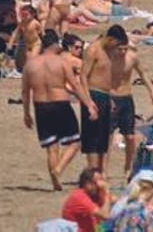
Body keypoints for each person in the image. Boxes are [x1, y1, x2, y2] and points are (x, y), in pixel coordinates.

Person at [22, 30, 97, 190]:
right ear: (55, 44)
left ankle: (55, 181)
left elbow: (25, 92)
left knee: (52, 147)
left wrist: (26, 113)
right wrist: (89, 104)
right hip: (60, 104)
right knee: (75, 142)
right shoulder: (61, 62)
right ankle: (59, 169)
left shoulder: (30, 65)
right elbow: (76, 86)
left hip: (41, 106)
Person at [107, 31, 153, 178]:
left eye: (125, 48)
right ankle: (105, 169)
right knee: (108, 137)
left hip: (127, 99)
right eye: (120, 48)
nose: (123, 52)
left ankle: (128, 167)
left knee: (130, 137)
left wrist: (151, 91)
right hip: (112, 98)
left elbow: (143, 73)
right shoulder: (108, 59)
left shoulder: (132, 57)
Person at [81, 25, 130, 172]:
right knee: (92, 139)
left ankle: (101, 172)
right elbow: (83, 76)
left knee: (103, 139)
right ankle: (93, 172)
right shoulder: (93, 50)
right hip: (93, 94)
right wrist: (88, 102)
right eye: (116, 44)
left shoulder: (109, 51)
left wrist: (110, 98)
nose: (117, 48)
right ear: (111, 39)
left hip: (105, 96)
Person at [61, 168, 112, 232]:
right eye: (97, 183)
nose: (100, 186)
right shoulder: (79, 196)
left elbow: (117, 202)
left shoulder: (93, 196)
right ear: (88, 183)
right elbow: (105, 215)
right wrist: (106, 191)